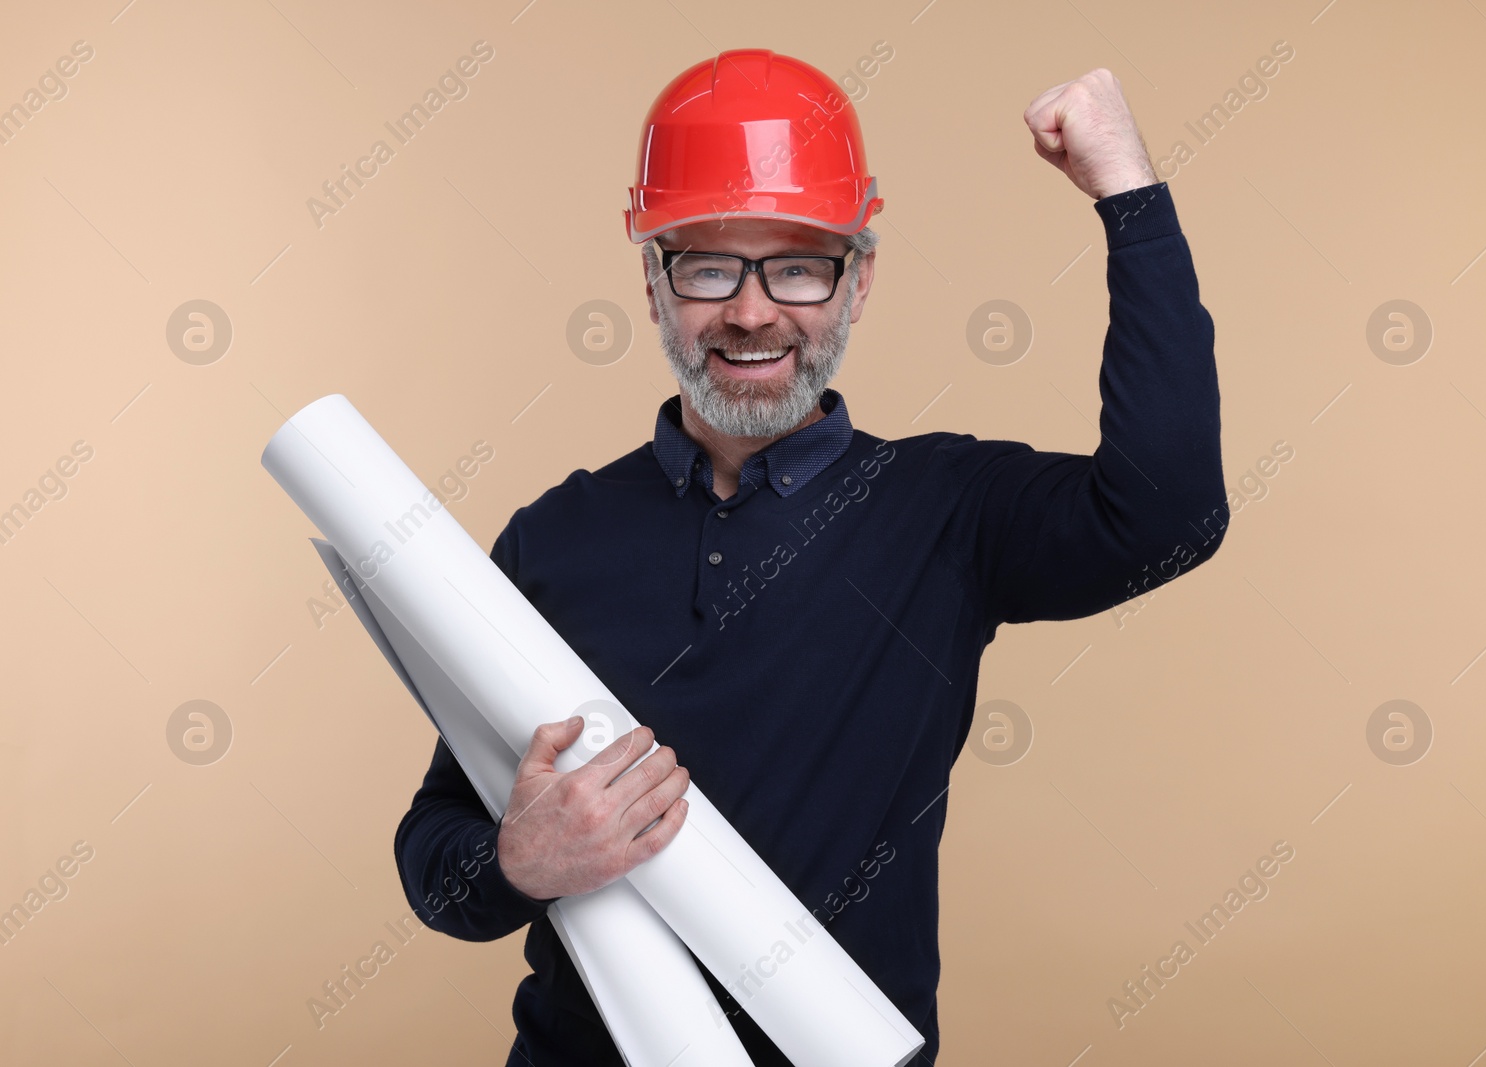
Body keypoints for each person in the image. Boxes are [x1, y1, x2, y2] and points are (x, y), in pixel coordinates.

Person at [394, 49, 1226, 1066]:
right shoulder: (552, 537)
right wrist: (515, 861)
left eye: (797, 263)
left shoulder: (945, 512)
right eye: (707, 264)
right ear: (653, 283)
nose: (751, 312)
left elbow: (1171, 513)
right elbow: (437, 850)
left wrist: (1128, 193)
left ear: (859, 280)